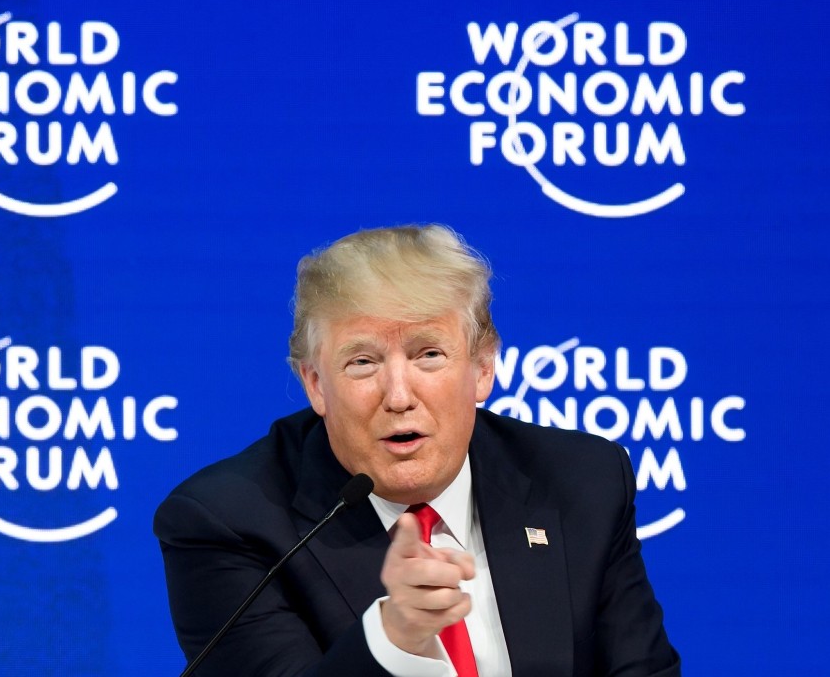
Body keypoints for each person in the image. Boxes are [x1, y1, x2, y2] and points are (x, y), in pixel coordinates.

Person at [154, 224, 680, 677]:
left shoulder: (580, 481)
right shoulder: (225, 522)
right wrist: (394, 636)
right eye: (362, 362)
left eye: (428, 354)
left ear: (482, 369)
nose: (399, 396)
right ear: (315, 383)